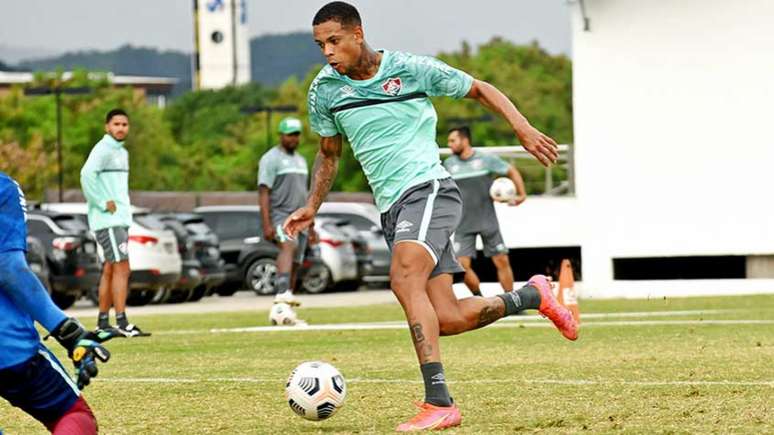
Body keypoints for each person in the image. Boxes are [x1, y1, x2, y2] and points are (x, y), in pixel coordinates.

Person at [284, 2, 579, 431]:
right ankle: (533, 296)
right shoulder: (324, 91)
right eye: (320, 45)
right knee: (448, 318)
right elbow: (329, 153)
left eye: (334, 41)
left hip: (429, 191)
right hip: (392, 208)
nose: (327, 52)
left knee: (404, 280)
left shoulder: (410, 69)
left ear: (357, 34)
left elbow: (480, 88)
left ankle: (439, 401)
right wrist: (312, 206)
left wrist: (523, 128)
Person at [0, 171, 110, 434]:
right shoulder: (3, 187)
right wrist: (67, 331)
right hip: (7, 346)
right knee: (73, 415)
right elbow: (8, 267)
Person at [80, 108, 148, 337]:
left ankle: (103, 323)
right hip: (108, 221)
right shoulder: (103, 149)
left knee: (110, 269)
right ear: (107, 126)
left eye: (124, 124)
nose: (120, 128)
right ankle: (121, 322)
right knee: (122, 267)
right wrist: (101, 202)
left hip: (120, 219)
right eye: (116, 124)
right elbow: (86, 174)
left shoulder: (121, 152)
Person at [444, 126, 527, 296]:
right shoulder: (449, 164)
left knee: (502, 260)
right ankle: (479, 299)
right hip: (462, 223)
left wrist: (522, 194)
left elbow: (511, 171)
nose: (449, 144)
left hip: (487, 220)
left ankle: (512, 301)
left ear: (465, 140)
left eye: (453, 140)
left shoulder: (486, 159)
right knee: (461, 266)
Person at [258, 117, 317, 309]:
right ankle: (282, 291)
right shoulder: (270, 159)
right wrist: (266, 223)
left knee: (296, 262)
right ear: (281, 135)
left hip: (300, 219)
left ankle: (284, 310)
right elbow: (264, 192)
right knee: (288, 246)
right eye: (290, 134)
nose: (294, 138)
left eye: (297, 135)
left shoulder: (300, 160)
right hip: (280, 215)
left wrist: (312, 225)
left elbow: (306, 195)